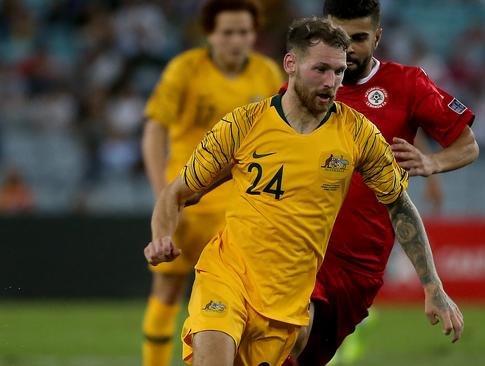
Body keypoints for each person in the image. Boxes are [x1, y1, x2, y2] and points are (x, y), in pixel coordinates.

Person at [144, 17, 463, 366]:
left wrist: (433, 287)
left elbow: (399, 206)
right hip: (227, 275)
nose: (331, 83)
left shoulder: (358, 135)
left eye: (339, 72)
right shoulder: (244, 124)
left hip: (287, 302)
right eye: (321, 69)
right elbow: (177, 192)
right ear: (291, 64)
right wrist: (161, 237)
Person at [286, 1, 479, 365]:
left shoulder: (407, 84)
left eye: (358, 38)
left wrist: (431, 162)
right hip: (300, 247)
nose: (348, 48)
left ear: (377, 36)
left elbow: (467, 145)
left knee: (303, 357)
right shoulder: (301, 87)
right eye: (339, 37)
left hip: (359, 266)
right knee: (281, 336)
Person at [140, 1, 283, 365]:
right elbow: (155, 129)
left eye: (244, 32)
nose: (237, 40)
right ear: (210, 34)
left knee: (248, 301)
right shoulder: (185, 70)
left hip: (239, 210)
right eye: (228, 32)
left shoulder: (266, 74)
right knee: (168, 288)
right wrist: (163, 195)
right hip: (188, 204)